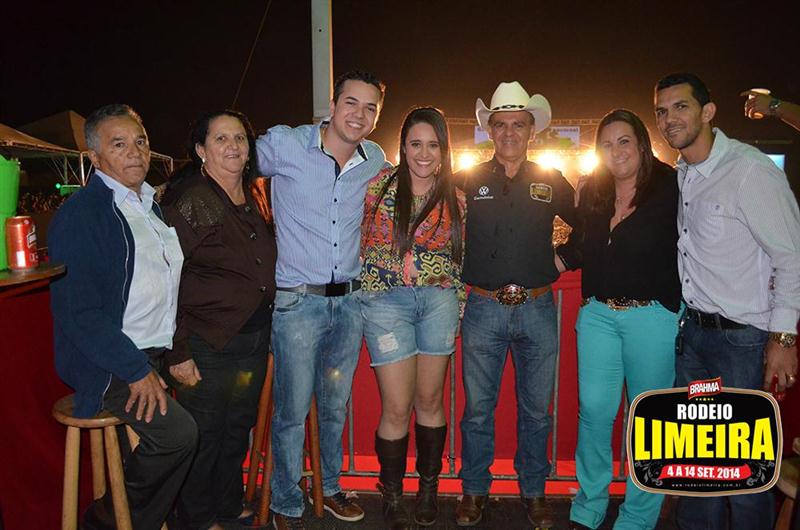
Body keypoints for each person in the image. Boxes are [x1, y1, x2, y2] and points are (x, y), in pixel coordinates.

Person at [655, 72, 800, 530]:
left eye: (680, 107)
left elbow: (791, 256)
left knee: (743, 473)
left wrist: (783, 337)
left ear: (708, 112)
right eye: (661, 111)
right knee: (698, 466)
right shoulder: (685, 173)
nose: (669, 118)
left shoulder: (749, 170)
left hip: (742, 343)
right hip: (695, 338)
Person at [49, 104, 198, 530]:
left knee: (204, 413)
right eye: (119, 144)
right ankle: (103, 522)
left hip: (153, 354)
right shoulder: (82, 215)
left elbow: (165, 289)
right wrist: (134, 369)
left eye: (140, 141)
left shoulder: (149, 206)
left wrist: (175, 352)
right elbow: (79, 312)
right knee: (178, 435)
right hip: (110, 364)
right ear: (95, 158)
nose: (135, 152)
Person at [255, 70, 388, 530]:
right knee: (292, 412)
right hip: (297, 306)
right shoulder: (286, 144)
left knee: (335, 406)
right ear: (331, 106)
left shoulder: (374, 159)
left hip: (348, 305)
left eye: (370, 108)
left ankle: (328, 487)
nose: (359, 114)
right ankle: (285, 501)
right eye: (351, 103)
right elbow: (230, 163)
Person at [455, 81, 577, 528]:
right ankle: (473, 491)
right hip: (483, 308)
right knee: (477, 412)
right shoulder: (466, 180)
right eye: (501, 124)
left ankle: (534, 492)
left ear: (532, 130)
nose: (509, 132)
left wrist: (562, 261)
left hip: (537, 309)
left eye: (518, 125)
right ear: (490, 130)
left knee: (536, 413)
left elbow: (589, 226)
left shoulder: (552, 179)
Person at [557, 109, 680, 530]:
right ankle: (588, 505)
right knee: (594, 412)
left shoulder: (671, 186)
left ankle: (638, 517)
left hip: (653, 317)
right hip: (598, 316)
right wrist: (527, 267)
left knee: (651, 420)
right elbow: (579, 247)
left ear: (642, 144)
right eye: (607, 144)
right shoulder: (594, 190)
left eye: (624, 141)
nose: (616, 150)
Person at [160, 110, 277, 530]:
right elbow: (166, 278)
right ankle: (195, 517)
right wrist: (177, 352)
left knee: (237, 427)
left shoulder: (254, 194)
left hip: (251, 338)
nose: (233, 146)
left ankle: (226, 504)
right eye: (221, 139)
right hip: (207, 343)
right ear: (200, 150)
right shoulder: (194, 199)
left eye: (240, 138)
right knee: (205, 433)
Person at [360, 107, 465, 529]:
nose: (424, 154)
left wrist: (457, 305)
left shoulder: (456, 197)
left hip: (438, 303)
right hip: (386, 304)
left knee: (430, 401)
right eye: (415, 144)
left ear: (444, 150)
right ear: (402, 147)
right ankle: (392, 494)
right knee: (397, 406)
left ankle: (428, 488)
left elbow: (461, 260)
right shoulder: (377, 186)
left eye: (432, 145)